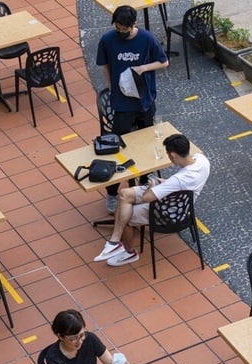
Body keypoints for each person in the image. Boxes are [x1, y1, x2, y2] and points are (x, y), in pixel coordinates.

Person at [93, 133, 210, 266]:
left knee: (124, 215)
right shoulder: (202, 160)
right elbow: (185, 185)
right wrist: (164, 183)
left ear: (173, 155)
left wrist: (153, 186)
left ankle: (129, 252)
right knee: (124, 194)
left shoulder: (177, 180)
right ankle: (114, 241)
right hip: (180, 200)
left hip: (167, 211)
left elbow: (146, 197)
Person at [95, 5, 169, 214]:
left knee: (146, 143)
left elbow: (164, 62)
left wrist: (143, 68)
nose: (120, 33)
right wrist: (111, 88)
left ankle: (144, 184)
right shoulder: (108, 40)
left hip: (144, 101)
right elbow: (105, 66)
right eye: (117, 28)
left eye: (123, 30)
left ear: (133, 25)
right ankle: (112, 192)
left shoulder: (147, 39)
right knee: (118, 149)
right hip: (122, 105)